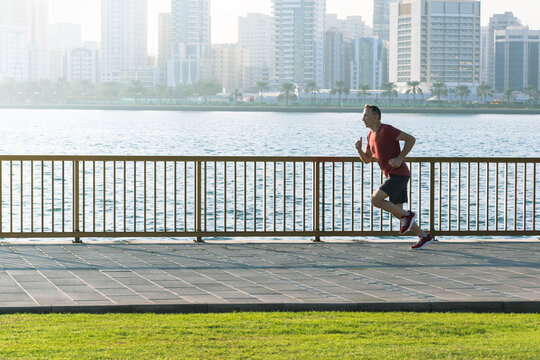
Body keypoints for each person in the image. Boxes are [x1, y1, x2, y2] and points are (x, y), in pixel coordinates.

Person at [354, 104, 435, 250]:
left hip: (399, 174)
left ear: (376, 117)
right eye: (363, 115)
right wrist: (359, 149)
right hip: (392, 175)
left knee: (375, 199)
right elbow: (367, 159)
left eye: (366, 115)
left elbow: (411, 139)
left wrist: (399, 158)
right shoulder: (370, 135)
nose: (363, 119)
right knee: (398, 213)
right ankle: (424, 236)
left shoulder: (387, 130)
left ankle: (409, 215)